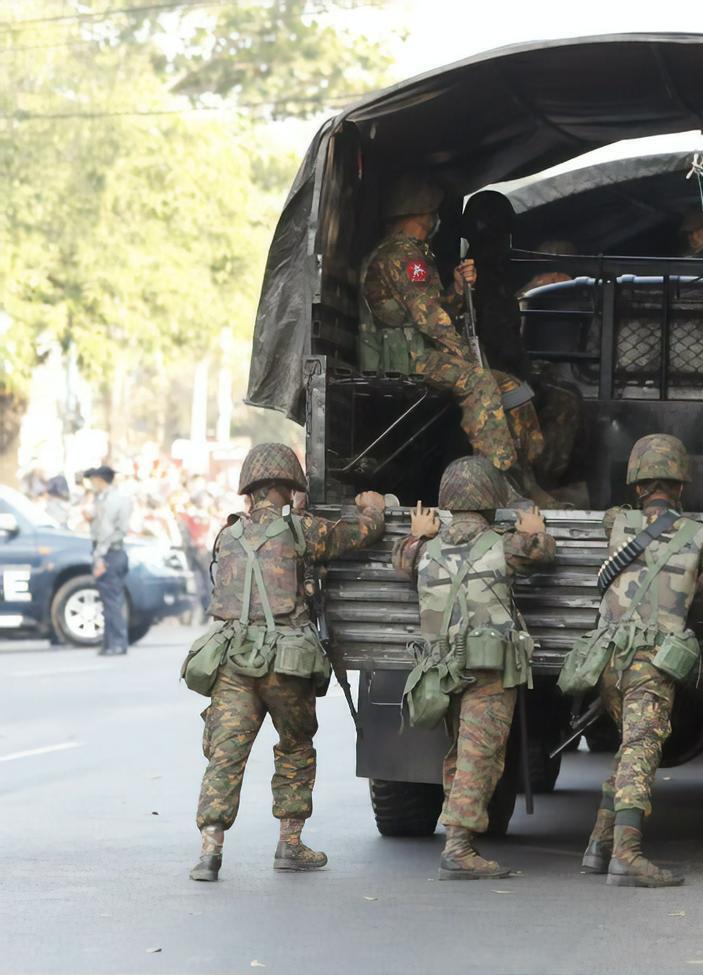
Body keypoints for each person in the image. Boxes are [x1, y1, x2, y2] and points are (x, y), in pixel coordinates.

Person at [186, 443, 386, 882]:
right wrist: (373, 509)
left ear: (249, 489)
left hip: (234, 662)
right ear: (289, 485)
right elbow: (357, 535)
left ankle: (209, 852)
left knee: (225, 755)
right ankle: (290, 845)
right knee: (295, 747)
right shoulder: (302, 529)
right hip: (286, 662)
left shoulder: (227, 534)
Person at [573, 434, 703, 887]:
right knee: (641, 749)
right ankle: (627, 855)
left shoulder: (617, 522)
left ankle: (599, 845)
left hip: (608, 659)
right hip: (651, 662)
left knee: (631, 747)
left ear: (636, 484)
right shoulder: (701, 536)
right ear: (682, 485)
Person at [391, 456, 556, 880]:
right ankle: (459, 847)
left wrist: (416, 534)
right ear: (491, 499)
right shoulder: (504, 546)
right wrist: (533, 528)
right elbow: (542, 551)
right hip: (488, 670)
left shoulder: (424, 549)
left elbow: (401, 562)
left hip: (442, 670)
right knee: (479, 755)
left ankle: (457, 836)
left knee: (460, 751)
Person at [359, 172, 547, 501]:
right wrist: (469, 358)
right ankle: (495, 485)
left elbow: (432, 310)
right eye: (433, 212)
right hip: (407, 358)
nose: (436, 219)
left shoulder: (409, 254)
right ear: (421, 213)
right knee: (480, 382)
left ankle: (525, 480)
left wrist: (458, 290)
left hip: (420, 353)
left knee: (510, 386)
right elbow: (433, 322)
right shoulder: (404, 256)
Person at [462, 191, 583, 489]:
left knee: (563, 394)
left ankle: (534, 481)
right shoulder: (474, 277)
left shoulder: (493, 274)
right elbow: (495, 339)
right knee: (560, 402)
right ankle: (529, 483)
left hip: (504, 369)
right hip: (490, 374)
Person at [83, 465, 133, 656]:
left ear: (99, 480)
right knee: (109, 601)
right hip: (110, 552)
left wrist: (100, 556)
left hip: (109, 553)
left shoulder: (112, 500)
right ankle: (111, 642)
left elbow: (109, 531)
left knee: (112, 601)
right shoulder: (105, 498)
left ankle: (117, 643)